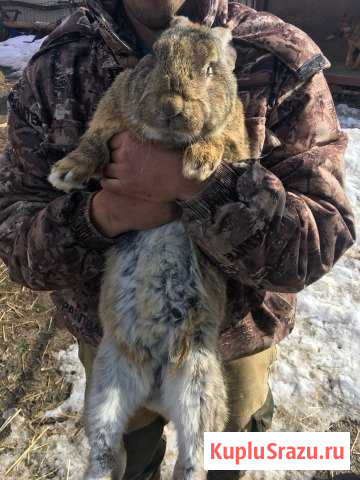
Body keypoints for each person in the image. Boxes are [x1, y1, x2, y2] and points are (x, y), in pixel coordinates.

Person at [0, 1, 355, 479]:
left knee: (224, 456)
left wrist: (201, 189)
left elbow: (320, 239)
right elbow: (15, 237)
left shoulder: (278, 56)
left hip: (232, 339)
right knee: (123, 455)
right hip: (116, 331)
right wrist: (101, 215)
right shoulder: (60, 60)